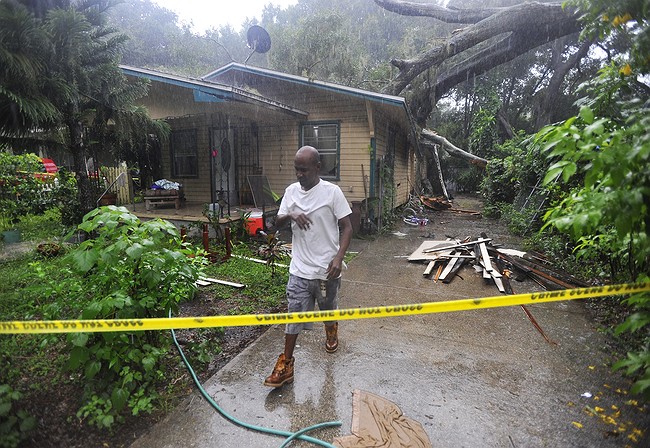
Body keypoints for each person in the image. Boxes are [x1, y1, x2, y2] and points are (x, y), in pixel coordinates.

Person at [264, 145, 353, 388]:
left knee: (327, 309)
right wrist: (291, 214)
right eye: (297, 170)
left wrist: (338, 258)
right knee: (293, 318)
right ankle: (286, 365)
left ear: (317, 167)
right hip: (299, 270)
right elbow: (275, 223)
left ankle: (331, 330)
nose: (299, 174)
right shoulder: (291, 192)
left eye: (304, 170)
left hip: (327, 271)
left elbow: (347, 227)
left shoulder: (332, 193)